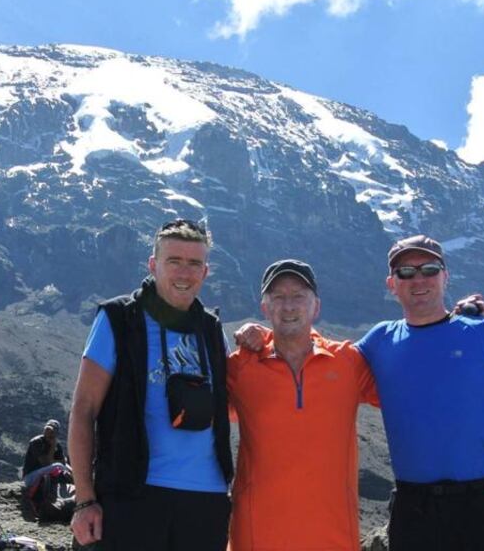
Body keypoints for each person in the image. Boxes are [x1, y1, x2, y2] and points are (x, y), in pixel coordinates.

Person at [356, 235, 484, 551]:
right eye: (406, 272)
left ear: (445, 276)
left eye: (429, 269)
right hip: (414, 511)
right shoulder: (380, 340)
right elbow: (323, 363)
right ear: (392, 284)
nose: (419, 279)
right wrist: (260, 335)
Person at [68, 219, 234, 551]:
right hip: (131, 495)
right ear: (153, 264)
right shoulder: (119, 320)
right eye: (174, 261)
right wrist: (85, 499)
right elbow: (84, 410)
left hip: (206, 501)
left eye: (194, 264)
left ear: (205, 271)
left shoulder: (212, 331)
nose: (184, 273)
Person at [227, 259, 378, 551]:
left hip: (332, 537)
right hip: (256, 536)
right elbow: (195, 419)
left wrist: (458, 323)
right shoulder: (240, 366)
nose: (289, 306)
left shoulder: (348, 362)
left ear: (316, 306)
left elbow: (412, 396)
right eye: (278, 297)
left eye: (298, 296)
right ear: (265, 308)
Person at [22, 419, 68, 487]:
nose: (49, 432)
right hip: (30, 476)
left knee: (66, 468)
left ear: (56, 433)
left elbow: (63, 462)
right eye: (47, 430)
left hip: (44, 474)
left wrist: (52, 460)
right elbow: (46, 464)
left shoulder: (57, 445)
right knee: (58, 466)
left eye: (52, 431)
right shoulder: (37, 442)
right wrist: (52, 447)